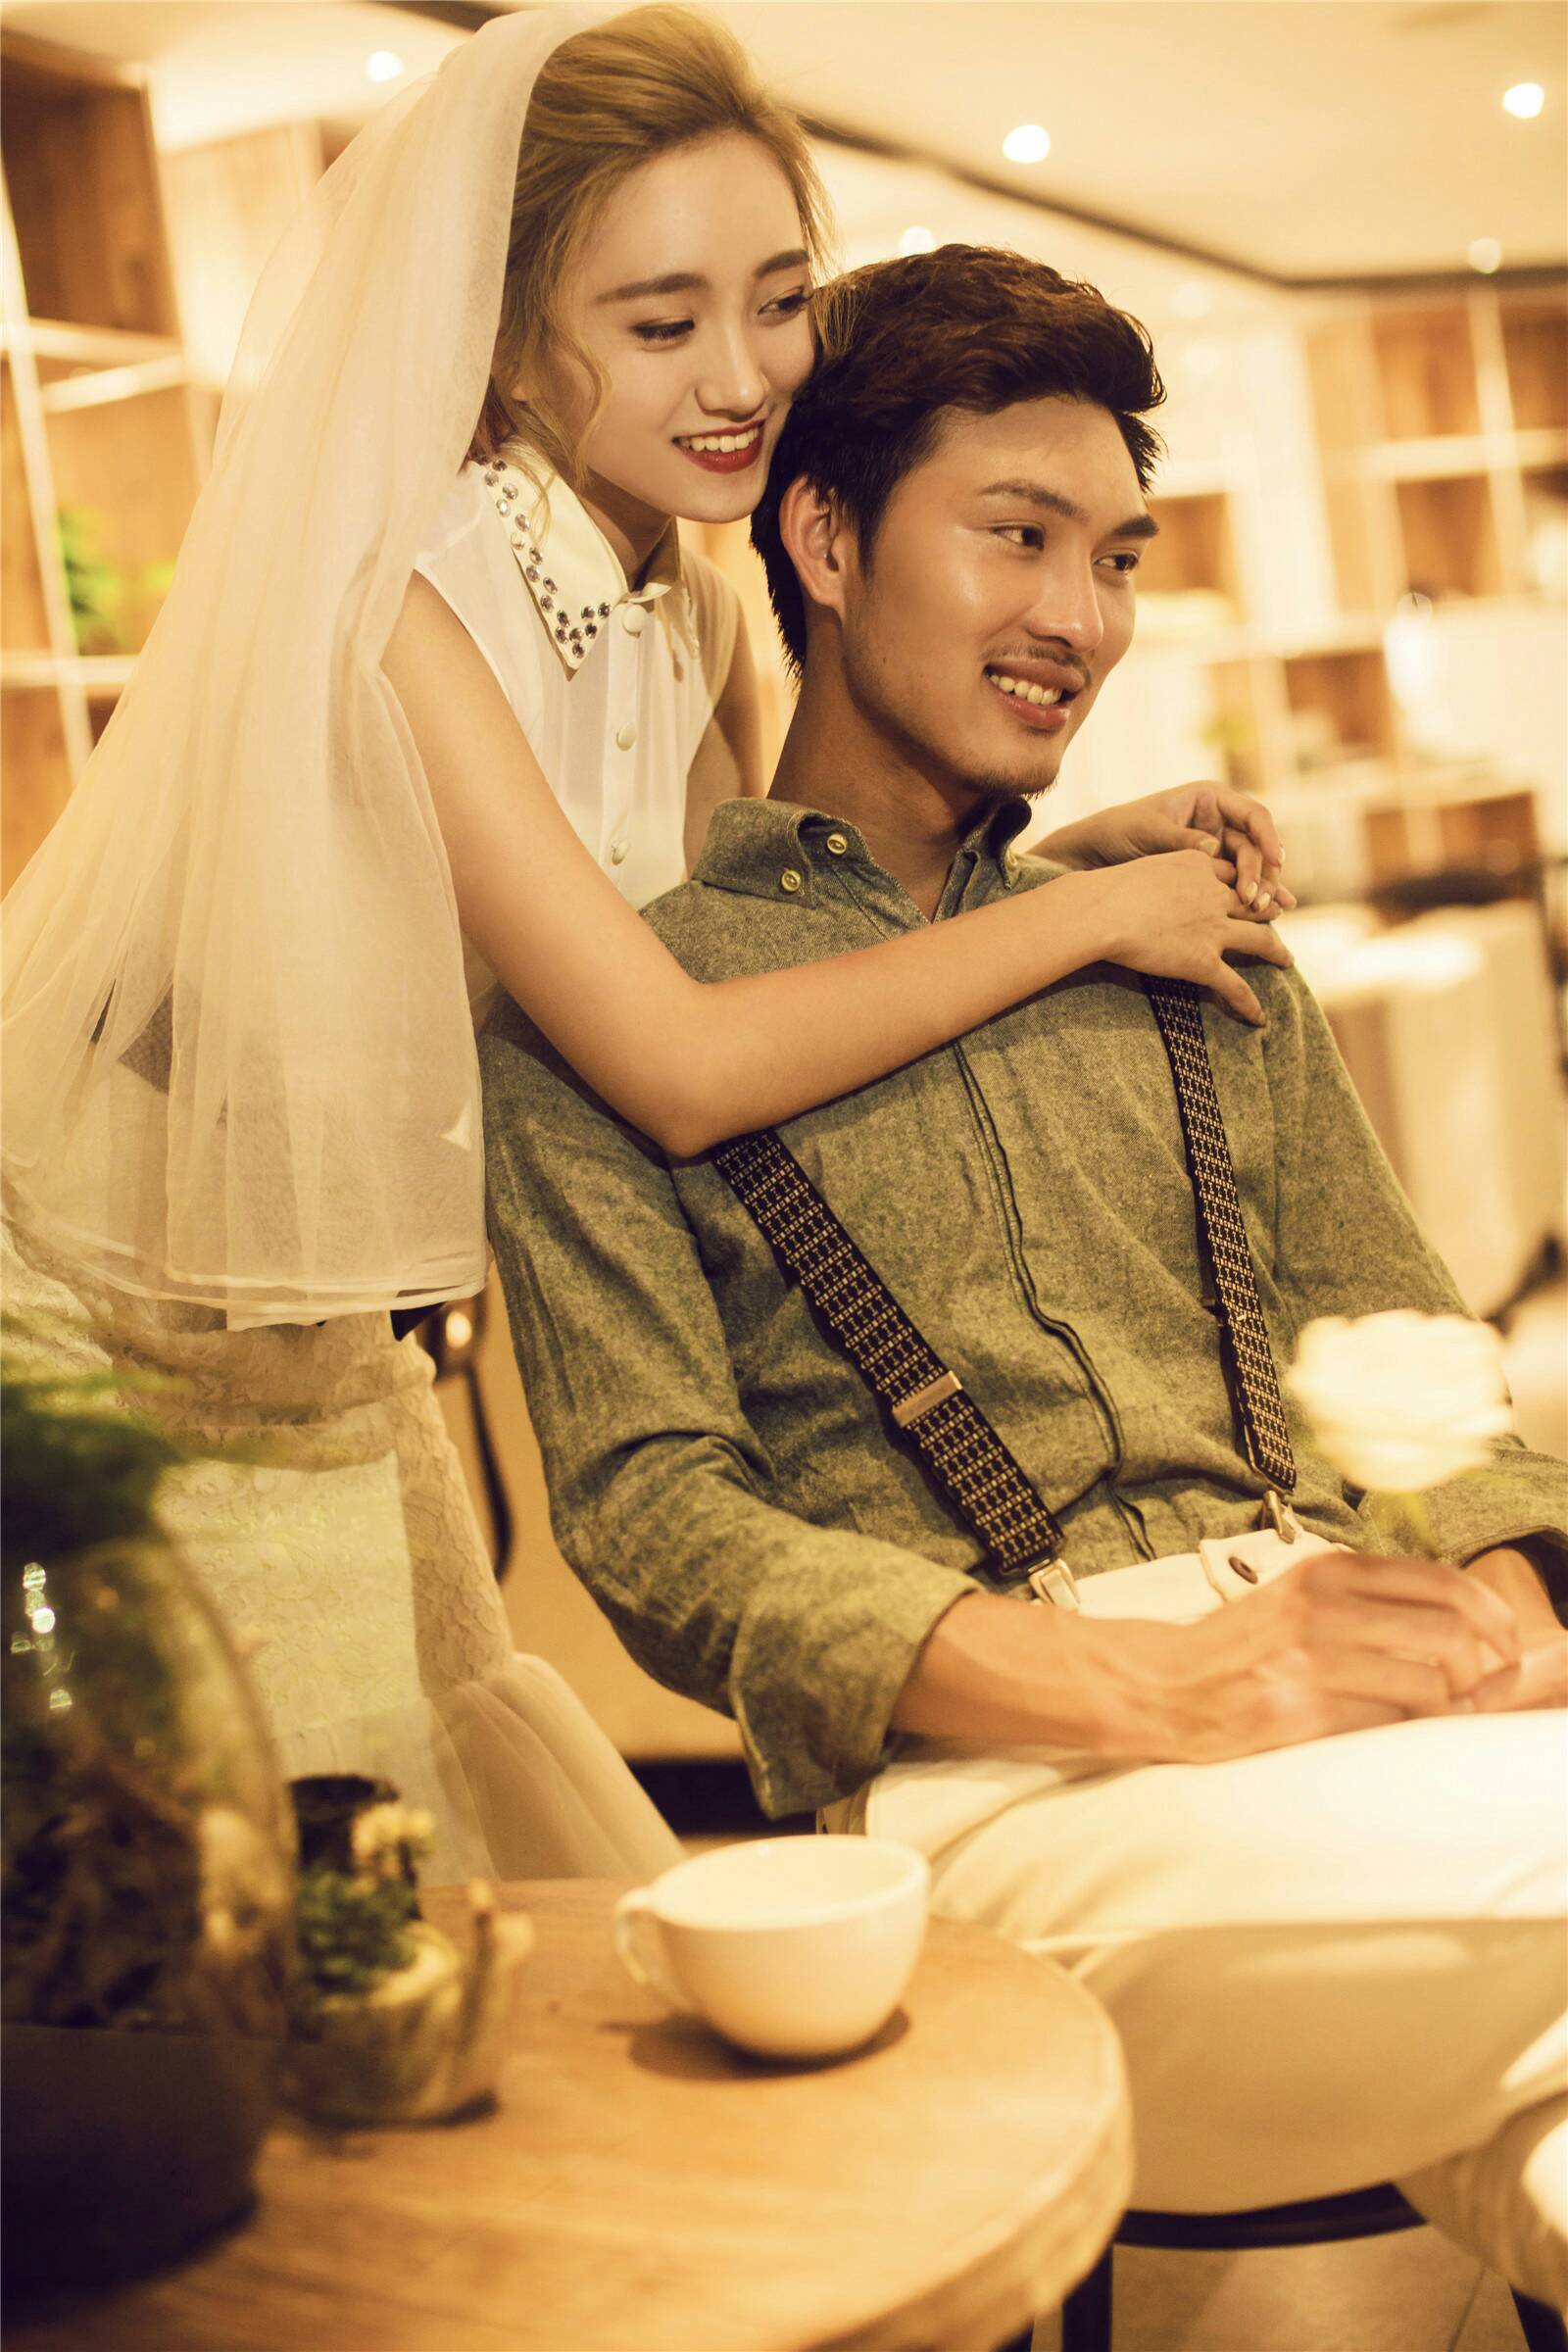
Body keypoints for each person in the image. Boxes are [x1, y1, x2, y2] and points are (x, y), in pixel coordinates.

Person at [0, 7, 1291, 1888]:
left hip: (314, 1324)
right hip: (107, 1301)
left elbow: (762, 929)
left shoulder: (678, 586)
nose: (743, 377)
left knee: (378, 1865)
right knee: (230, 1875)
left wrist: (1065, 861)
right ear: (508, 329)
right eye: (660, 321)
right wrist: (1093, 919)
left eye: (777, 301)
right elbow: (685, 1063)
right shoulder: (399, 608)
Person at [480, 242, 1568, 2304]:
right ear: (823, 540)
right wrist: (1139, 1683)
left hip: (1356, 1719)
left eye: (1116, 553)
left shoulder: (1188, 942)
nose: (1082, 616)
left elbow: (1409, 1351)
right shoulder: (617, 1018)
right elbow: (655, 1517)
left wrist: (1503, 1597)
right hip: (991, 1793)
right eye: (1016, 535)